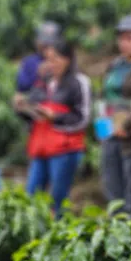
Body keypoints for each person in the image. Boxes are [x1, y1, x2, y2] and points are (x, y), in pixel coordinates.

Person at [18, 39, 91, 213]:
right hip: (40, 147)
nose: (49, 64)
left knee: (58, 198)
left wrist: (55, 117)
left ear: (67, 59)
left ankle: (59, 233)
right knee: (32, 196)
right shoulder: (44, 83)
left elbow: (83, 118)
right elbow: (32, 115)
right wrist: (22, 108)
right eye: (47, 59)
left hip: (64, 149)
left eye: (54, 59)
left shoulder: (79, 82)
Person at [99, 14, 131, 219]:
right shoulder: (114, 65)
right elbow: (103, 99)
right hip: (110, 131)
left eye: (130, 38)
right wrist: (104, 130)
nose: (124, 43)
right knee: (112, 185)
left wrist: (128, 124)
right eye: (121, 38)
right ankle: (116, 233)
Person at [15, 21, 61, 94]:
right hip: (36, 101)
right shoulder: (29, 62)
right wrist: (38, 74)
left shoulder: (63, 60)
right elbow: (22, 86)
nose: (46, 46)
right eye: (44, 41)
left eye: (50, 43)